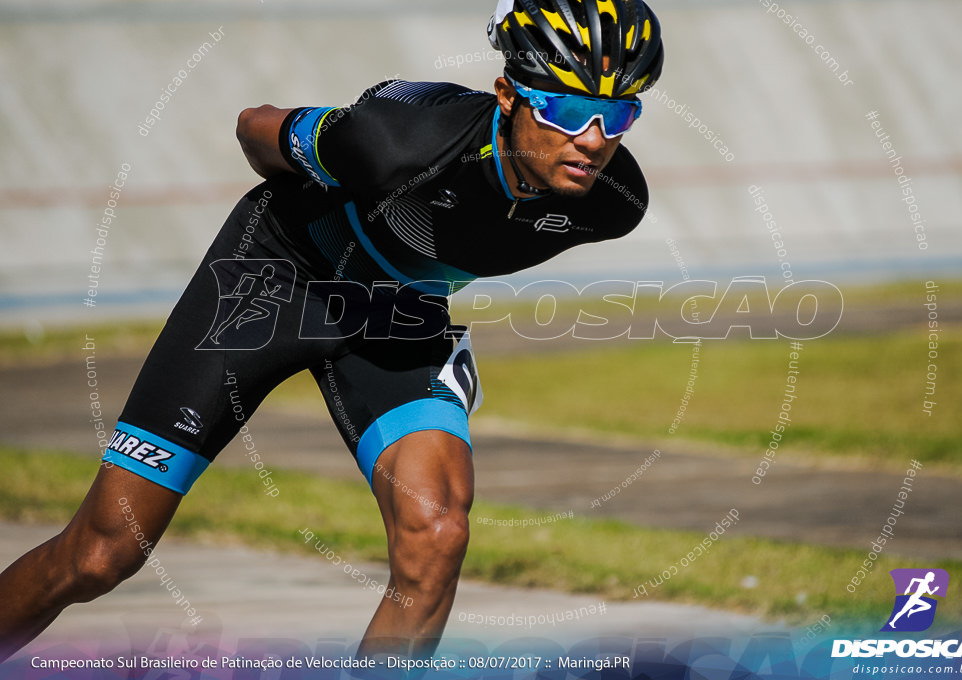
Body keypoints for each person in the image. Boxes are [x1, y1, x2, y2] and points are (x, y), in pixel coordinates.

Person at [0, 0, 664, 664]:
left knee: (436, 534)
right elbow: (253, 127)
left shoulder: (613, 202)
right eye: (569, 111)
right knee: (102, 552)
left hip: (398, 315)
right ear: (507, 93)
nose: (594, 139)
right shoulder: (396, 145)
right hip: (276, 276)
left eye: (621, 113)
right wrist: (318, 161)